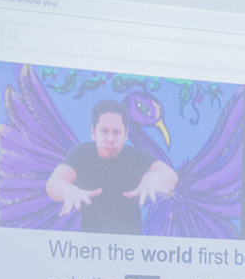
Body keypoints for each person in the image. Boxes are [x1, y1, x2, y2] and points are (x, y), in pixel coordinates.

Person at [46, 100, 177, 234]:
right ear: (93, 132)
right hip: (88, 247)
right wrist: (67, 189)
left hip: (129, 248)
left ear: (125, 134)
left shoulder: (135, 156)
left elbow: (170, 175)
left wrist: (154, 177)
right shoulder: (81, 154)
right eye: (104, 131)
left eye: (117, 132)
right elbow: (53, 183)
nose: (110, 138)